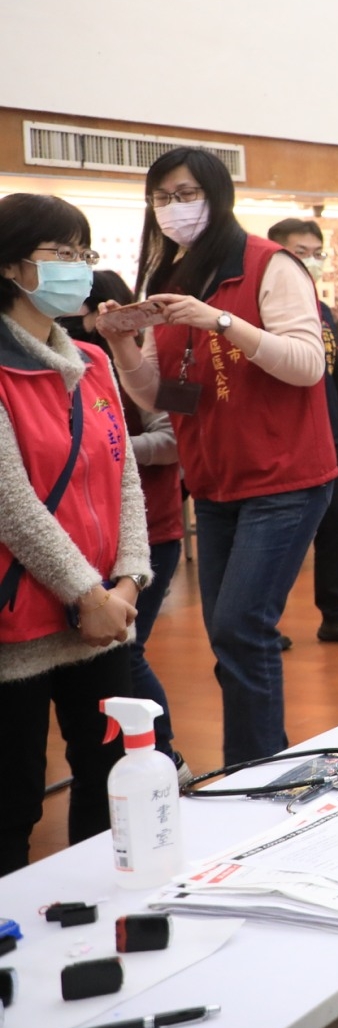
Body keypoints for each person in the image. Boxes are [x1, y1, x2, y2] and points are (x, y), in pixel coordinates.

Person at [106, 148, 335, 767]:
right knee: (229, 633)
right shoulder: (173, 278)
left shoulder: (269, 264)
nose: (172, 208)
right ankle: (258, 764)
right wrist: (123, 343)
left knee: (240, 626)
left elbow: (306, 364)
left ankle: (254, 766)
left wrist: (222, 322)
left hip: (284, 477)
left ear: (216, 196)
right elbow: (159, 395)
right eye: (162, 198)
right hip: (214, 481)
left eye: (186, 194)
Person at [0, 194, 146, 874]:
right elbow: (12, 504)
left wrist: (128, 581)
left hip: (103, 616)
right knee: (13, 800)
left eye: (84, 252)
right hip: (22, 624)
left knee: (116, 777)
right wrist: (87, 593)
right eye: (63, 252)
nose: (80, 267)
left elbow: (124, 476)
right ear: (11, 266)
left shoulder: (90, 359)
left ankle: (108, 908)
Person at [65, 271, 185, 770]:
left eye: (84, 310)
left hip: (152, 531)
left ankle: (165, 754)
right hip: (92, 544)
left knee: (127, 652)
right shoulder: (66, 364)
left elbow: (173, 439)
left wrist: (102, 450)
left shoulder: (131, 364)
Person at [269, 218, 338, 646]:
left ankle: (336, 613)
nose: (311, 262)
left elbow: (330, 379)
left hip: (328, 436)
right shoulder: (264, 310)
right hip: (285, 441)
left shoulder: (322, 310)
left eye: (317, 254)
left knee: (335, 528)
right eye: (301, 253)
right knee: (279, 539)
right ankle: (261, 622)